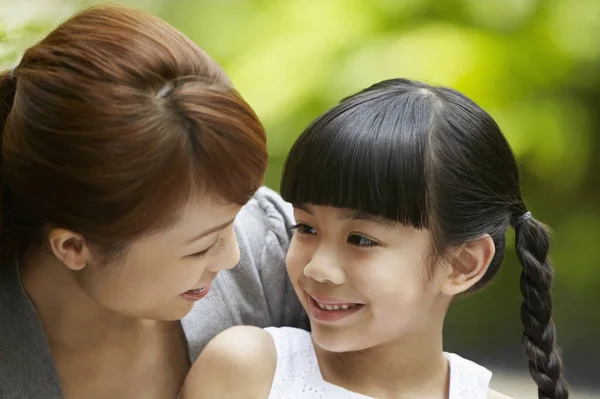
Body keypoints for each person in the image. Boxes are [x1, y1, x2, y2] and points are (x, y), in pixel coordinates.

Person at [180, 78, 570, 399]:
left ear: (462, 263)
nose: (318, 268)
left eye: (361, 240)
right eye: (306, 228)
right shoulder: (249, 370)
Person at [0, 5, 307, 399]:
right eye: (200, 247)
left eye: (235, 215)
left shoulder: (275, 252)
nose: (232, 256)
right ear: (74, 246)